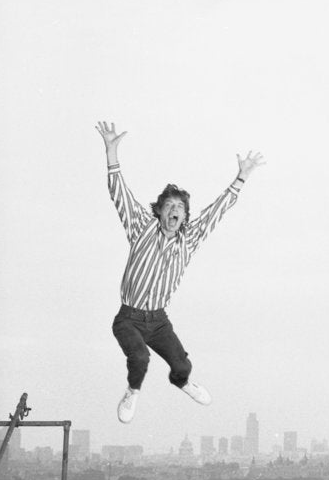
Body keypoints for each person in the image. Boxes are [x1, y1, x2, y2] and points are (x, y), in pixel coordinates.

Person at [96, 120, 264, 423]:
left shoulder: (190, 239)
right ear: (159, 211)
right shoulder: (141, 227)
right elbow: (119, 193)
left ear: (184, 216)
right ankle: (132, 392)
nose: (174, 211)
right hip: (129, 318)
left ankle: (182, 382)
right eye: (169, 206)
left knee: (183, 366)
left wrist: (241, 177)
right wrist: (111, 152)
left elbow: (216, 211)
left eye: (179, 208)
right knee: (140, 358)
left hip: (158, 320)